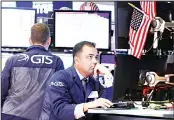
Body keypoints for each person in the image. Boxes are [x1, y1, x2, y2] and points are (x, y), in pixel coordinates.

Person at [1, 23, 65, 120]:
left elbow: (2, 90)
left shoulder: (12, 60)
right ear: (49, 40)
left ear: (30, 40)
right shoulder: (56, 62)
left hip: (10, 115)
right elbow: (60, 94)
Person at [40, 41, 113, 120]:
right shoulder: (60, 78)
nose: (95, 61)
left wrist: (108, 76)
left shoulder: (93, 82)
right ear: (77, 60)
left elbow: (107, 103)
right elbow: (61, 110)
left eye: (96, 57)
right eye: (90, 57)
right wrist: (89, 105)